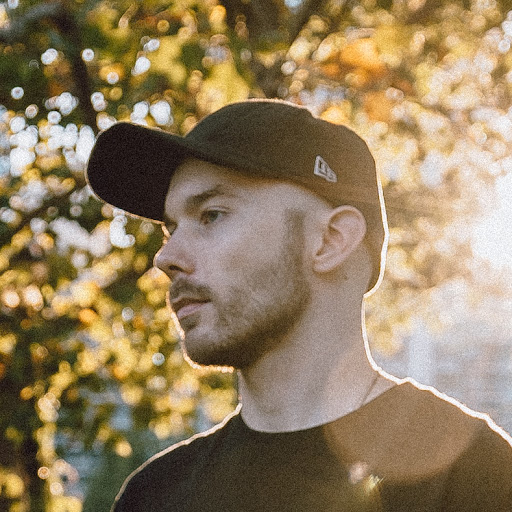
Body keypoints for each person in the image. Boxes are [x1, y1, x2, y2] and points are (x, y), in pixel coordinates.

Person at [86, 99, 512, 511]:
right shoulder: (154, 496)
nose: (165, 258)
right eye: (170, 229)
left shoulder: (477, 476)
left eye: (211, 215)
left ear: (330, 240)